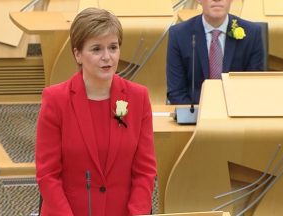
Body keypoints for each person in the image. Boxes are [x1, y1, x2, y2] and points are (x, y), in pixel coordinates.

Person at [35, 7, 157, 216]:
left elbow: (145, 171)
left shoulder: (138, 98)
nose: (107, 57)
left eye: (113, 47)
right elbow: (48, 174)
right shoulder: (56, 100)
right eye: (96, 49)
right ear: (78, 54)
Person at [166, 0, 264, 104]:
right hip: (194, 113)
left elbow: (254, 87)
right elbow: (176, 92)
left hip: (237, 111)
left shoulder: (252, 33)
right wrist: (195, 116)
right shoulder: (179, 34)